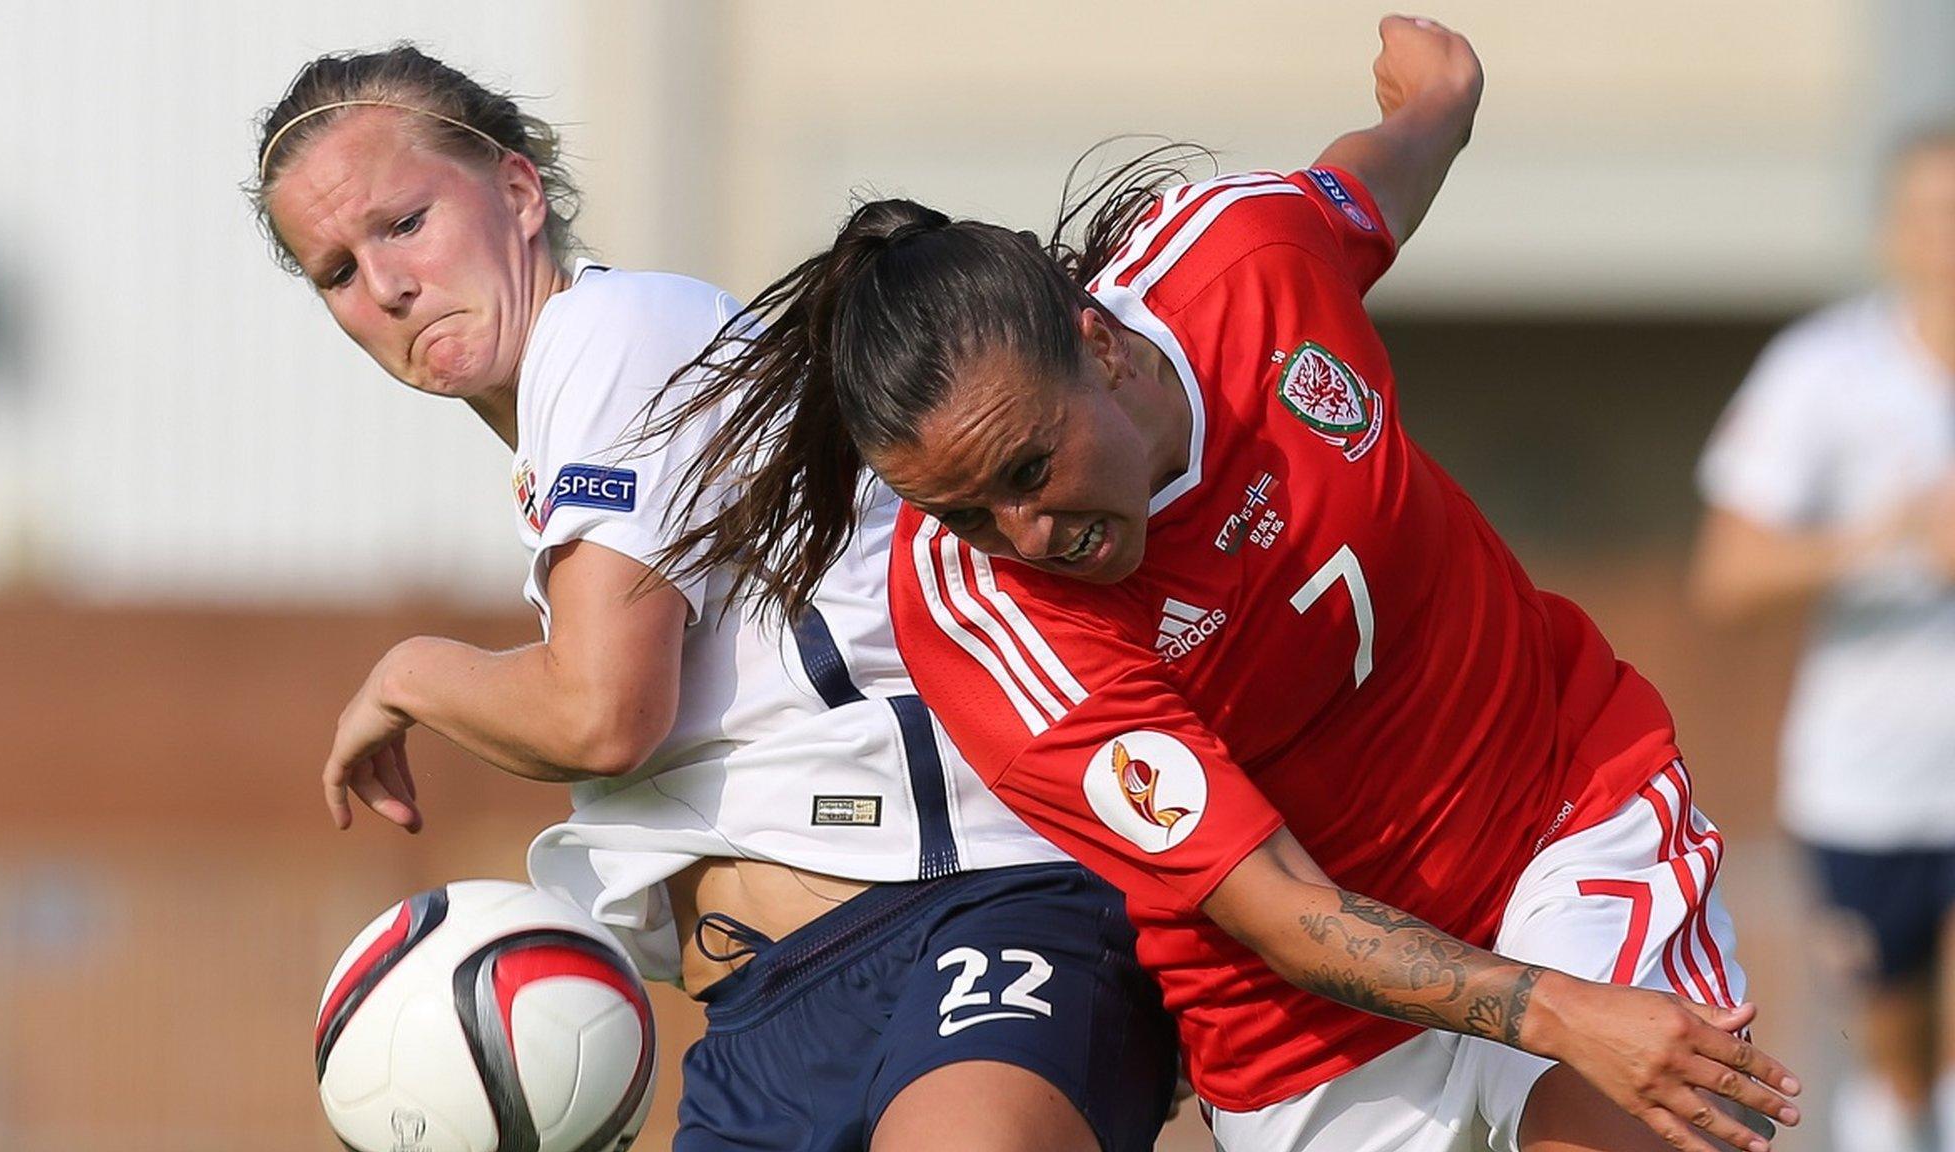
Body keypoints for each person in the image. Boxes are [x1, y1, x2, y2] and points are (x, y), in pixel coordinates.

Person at [650, 15, 1803, 1152]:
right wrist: (1554, 1010)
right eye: (964, 512)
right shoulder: (978, 621)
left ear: (1098, 342)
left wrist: (1436, 102)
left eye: (1028, 468)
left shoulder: (1240, 256)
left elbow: (1365, 192)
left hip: (1561, 815)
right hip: (1307, 1030)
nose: (1022, 534)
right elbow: (1284, 914)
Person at [248, 45, 1178, 1152]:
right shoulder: (560, 425)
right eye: (337, 270)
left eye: (403, 223)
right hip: (764, 1016)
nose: (386, 284)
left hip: (971, 910)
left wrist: (410, 675)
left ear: (516, 187)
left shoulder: (611, 335)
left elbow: (601, 712)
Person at [1692, 122, 1955, 1152]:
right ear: (1890, 232)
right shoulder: (1822, 369)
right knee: (1896, 1044)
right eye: (1930, 215)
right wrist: (1886, 538)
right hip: (1869, 782)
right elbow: (1726, 574)